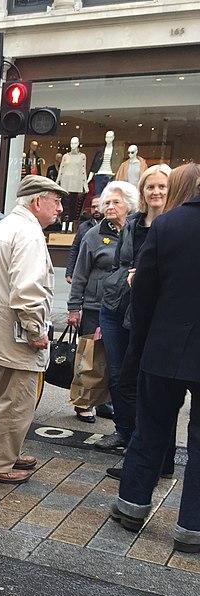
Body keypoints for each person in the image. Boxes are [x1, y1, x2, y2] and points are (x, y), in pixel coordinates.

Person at [110, 172, 200, 552]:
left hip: (164, 347)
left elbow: (143, 293)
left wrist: (140, 346)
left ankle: (131, 505)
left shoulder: (169, 224)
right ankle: (191, 528)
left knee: (151, 428)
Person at [0, 176, 64, 484]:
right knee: (15, 401)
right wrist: (36, 330)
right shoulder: (28, 234)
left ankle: (3, 454)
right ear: (38, 201)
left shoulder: (4, 226)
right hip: (14, 335)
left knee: (3, 398)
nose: (60, 209)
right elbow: (27, 291)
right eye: (56, 201)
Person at [97, 166, 169, 455]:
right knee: (118, 375)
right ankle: (123, 431)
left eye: (162, 186)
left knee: (143, 377)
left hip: (149, 313)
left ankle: (142, 440)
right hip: (116, 307)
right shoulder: (133, 223)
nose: (156, 192)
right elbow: (119, 262)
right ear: (142, 191)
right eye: (150, 187)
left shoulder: (174, 224)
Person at [67, 181, 137, 432]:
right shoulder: (93, 235)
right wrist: (74, 308)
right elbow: (80, 273)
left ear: (129, 205)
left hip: (125, 308)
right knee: (92, 358)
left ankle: (108, 403)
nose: (109, 207)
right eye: (106, 202)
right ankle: (85, 402)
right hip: (96, 307)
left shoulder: (135, 231)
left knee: (117, 365)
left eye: (115, 202)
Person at [66, 197, 102, 284]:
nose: (96, 210)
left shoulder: (111, 226)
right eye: (93, 207)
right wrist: (69, 272)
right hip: (84, 270)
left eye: (99, 206)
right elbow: (75, 249)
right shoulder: (83, 227)